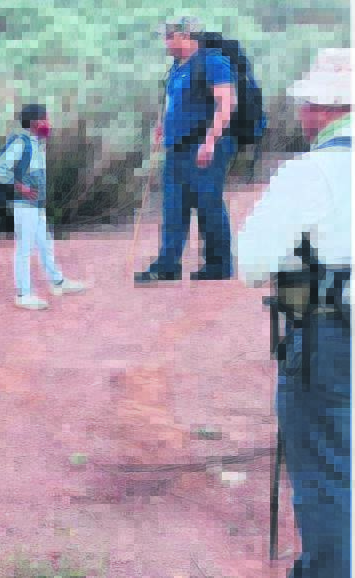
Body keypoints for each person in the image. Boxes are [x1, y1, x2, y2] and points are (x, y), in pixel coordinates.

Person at [237, 47, 351, 578]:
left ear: (320, 109)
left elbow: (252, 261)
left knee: (326, 462)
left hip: (331, 333)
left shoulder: (310, 173)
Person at [136, 15, 239, 284]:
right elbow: (174, 103)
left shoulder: (212, 62)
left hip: (204, 144)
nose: (166, 42)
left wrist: (211, 141)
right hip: (177, 147)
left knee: (208, 203)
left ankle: (218, 265)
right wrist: (163, 127)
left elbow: (226, 103)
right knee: (173, 205)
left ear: (186, 36)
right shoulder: (176, 67)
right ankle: (167, 265)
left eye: (170, 36)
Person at [0, 105, 87, 310]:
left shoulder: (37, 143)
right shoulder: (21, 142)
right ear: (34, 122)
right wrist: (21, 188)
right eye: (45, 119)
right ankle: (23, 294)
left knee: (45, 244)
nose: (48, 123)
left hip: (36, 205)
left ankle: (57, 281)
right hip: (24, 204)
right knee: (24, 248)